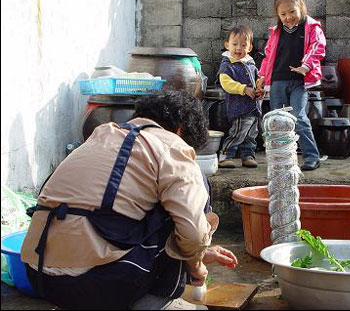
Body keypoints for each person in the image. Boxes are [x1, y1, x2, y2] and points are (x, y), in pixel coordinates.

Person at [20, 90, 238, 310]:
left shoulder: (101, 136)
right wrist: (197, 268)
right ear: (180, 130)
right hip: (99, 283)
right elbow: (192, 234)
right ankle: (157, 304)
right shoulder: (172, 145)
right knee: (192, 193)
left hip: (40, 276)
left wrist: (199, 252)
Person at [258, 0, 326, 171]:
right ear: (278, 15)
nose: (288, 17)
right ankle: (279, 159)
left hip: (299, 81)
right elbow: (268, 56)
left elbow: (318, 47)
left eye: (292, 11)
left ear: (300, 7)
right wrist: (262, 77)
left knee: (299, 116)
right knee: (277, 120)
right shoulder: (276, 32)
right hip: (278, 81)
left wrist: (305, 66)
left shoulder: (311, 27)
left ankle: (312, 156)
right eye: (283, 14)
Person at [217, 25, 265, 169]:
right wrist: (243, 89)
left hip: (254, 106)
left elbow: (257, 79)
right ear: (227, 45)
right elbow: (226, 83)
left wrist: (260, 88)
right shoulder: (227, 65)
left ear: (249, 47)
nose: (239, 48)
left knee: (252, 134)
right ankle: (226, 155)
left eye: (243, 45)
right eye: (235, 44)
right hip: (239, 107)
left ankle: (248, 156)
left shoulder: (250, 64)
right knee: (238, 132)